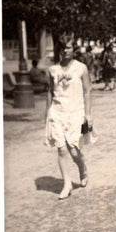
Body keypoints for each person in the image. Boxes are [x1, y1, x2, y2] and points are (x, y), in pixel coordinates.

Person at [45, 34, 93, 200]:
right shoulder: (53, 70)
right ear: (59, 49)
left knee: (73, 150)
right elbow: (50, 93)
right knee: (61, 148)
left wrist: (88, 114)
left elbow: (87, 92)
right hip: (57, 112)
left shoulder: (81, 68)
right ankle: (67, 184)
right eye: (63, 47)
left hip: (76, 112)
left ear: (74, 49)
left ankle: (82, 169)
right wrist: (47, 115)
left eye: (69, 47)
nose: (66, 51)